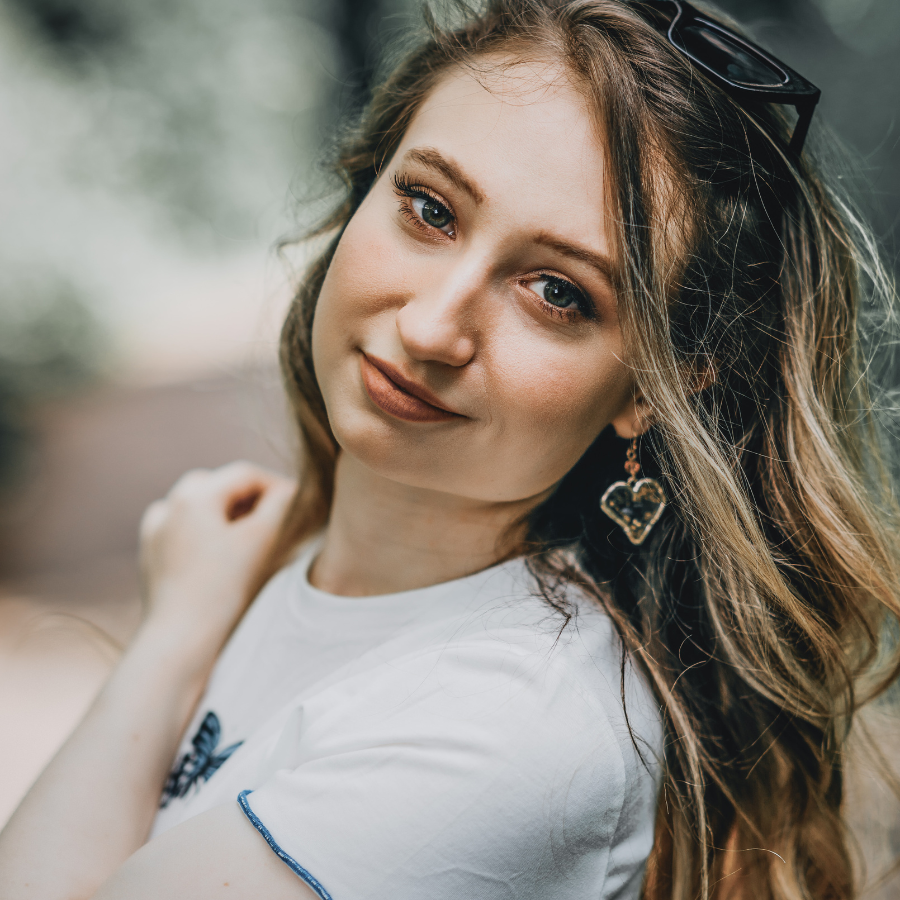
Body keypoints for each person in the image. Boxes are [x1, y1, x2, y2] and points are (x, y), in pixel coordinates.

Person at [1, 1, 898, 898]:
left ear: (650, 389)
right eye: (430, 208)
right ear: (364, 189)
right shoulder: (290, 572)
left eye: (556, 291)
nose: (433, 326)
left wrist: (168, 641)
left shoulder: (515, 727)